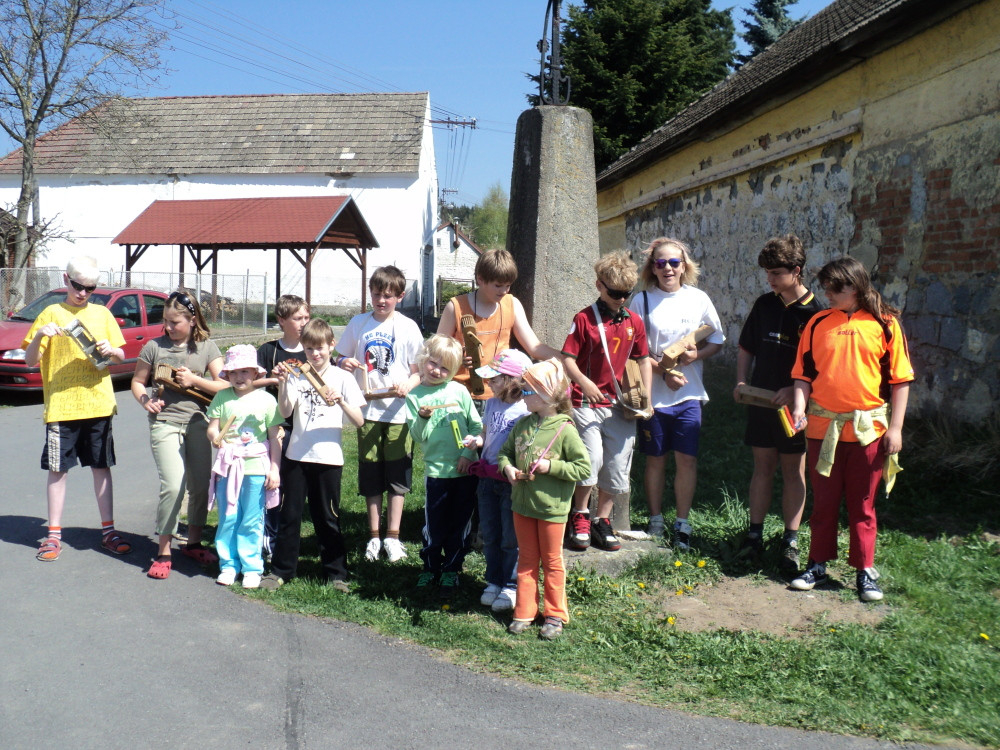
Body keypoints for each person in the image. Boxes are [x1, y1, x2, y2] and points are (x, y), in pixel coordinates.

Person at [789, 256, 913, 602]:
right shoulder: (816, 323)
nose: (827, 294)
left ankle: (864, 569)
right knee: (824, 502)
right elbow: (802, 375)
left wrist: (896, 429)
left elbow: (901, 380)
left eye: (834, 288)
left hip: (868, 432)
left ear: (855, 287)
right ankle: (817, 564)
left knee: (863, 504)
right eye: (825, 287)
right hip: (822, 430)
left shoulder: (885, 324)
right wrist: (799, 408)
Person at [23, 255, 131, 562]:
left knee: (101, 466)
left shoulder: (102, 314)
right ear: (65, 280)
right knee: (58, 470)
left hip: (99, 404)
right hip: (62, 407)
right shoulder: (50, 313)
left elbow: (120, 355)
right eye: (77, 286)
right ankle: (53, 535)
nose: (83, 293)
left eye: (90, 288)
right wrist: (40, 336)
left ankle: (109, 531)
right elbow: (30, 360)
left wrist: (113, 351)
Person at [733, 235, 822, 572]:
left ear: (796, 270)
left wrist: (794, 391)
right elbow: (747, 346)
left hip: (794, 408)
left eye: (776, 273)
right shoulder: (764, 304)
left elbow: (820, 369)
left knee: (793, 470)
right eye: (767, 273)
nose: (769, 279)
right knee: (763, 466)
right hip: (761, 402)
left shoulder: (816, 314)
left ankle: (790, 540)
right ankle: (754, 535)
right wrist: (741, 381)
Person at [631, 238, 725, 551]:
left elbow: (717, 340)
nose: (668, 268)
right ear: (652, 268)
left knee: (687, 459)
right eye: (661, 263)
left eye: (674, 262)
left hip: (689, 395)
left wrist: (696, 355)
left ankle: (682, 523)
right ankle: (656, 519)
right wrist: (664, 372)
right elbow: (634, 351)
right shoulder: (642, 301)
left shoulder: (698, 299)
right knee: (655, 459)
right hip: (654, 397)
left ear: (684, 266)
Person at [261, 319, 366, 592]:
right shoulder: (297, 375)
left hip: (328, 458)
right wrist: (283, 383)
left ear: (331, 346)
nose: (315, 354)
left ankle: (336, 574)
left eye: (320, 348)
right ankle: (281, 570)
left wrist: (341, 400)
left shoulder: (343, 378)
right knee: (290, 515)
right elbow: (285, 412)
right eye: (309, 349)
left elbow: (359, 421)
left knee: (328, 517)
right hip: (297, 456)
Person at [131, 290, 229, 580]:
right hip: (165, 423)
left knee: (200, 486)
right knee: (173, 486)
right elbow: (137, 381)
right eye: (166, 321)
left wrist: (195, 380)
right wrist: (145, 401)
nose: (168, 327)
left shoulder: (207, 347)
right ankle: (163, 550)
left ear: (192, 320)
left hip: (199, 423)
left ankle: (193, 543)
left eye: (175, 322)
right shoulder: (154, 347)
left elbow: (225, 385)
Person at [562, 252, 652, 552]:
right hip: (585, 402)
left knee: (617, 463)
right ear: (599, 286)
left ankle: (603, 520)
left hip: (619, 405)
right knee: (591, 459)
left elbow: (642, 360)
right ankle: (580, 514)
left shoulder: (634, 321)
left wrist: (645, 397)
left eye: (627, 294)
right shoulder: (584, 318)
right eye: (615, 294)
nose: (621, 300)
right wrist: (584, 382)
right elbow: (568, 359)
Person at [498, 358, 591, 640]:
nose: (522, 396)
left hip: (552, 508)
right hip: (522, 505)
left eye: (527, 391)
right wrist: (508, 468)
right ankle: (524, 611)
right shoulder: (523, 425)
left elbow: (583, 468)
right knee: (526, 559)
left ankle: (554, 614)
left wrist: (552, 467)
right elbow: (505, 454)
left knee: (551, 561)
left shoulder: (565, 430)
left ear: (547, 395)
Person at [335, 266, 422, 563]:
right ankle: (373, 536)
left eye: (388, 296)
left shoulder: (408, 327)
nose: (381, 301)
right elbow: (340, 356)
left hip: (398, 413)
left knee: (397, 474)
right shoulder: (358, 323)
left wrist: (408, 385)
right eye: (376, 295)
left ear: (400, 296)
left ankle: (393, 537)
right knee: (371, 473)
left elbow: (419, 372)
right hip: (367, 410)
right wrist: (344, 362)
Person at [404, 334, 483, 599]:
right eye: (433, 364)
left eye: (445, 368)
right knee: (435, 523)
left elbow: (476, 426)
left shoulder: (458, 391)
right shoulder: (414, 396)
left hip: (464, 470)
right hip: (436, 471)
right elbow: (418, 436)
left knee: (460, 523)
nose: (437, 371)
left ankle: (452, 568)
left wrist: (467, 453)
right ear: (423, 359)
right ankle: (430, 566)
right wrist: (423, 417)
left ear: (455, 370)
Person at [437, 248, 561, 409]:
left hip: (501, 396)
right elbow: (437, 352)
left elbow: (534, 348)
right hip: (462, 395)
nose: (504, 291)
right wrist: (457, 358)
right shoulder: (455, 307)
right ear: (480, 279)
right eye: (498, 285)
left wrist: (568, 359)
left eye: (508, 286)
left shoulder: (512, 304)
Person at [206, 345, 283, 588]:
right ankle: (229, 564)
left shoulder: (267, 400)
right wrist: (215, 437)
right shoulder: (222, 397)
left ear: (256, 373)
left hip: (256, 468)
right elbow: (213, 428)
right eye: (234, 372)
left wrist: (274, 469)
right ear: (227, 374)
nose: (239, 377)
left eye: (245, 371)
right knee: (228, 516)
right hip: (229, 467)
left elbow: (275, 437)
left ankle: (252, 567)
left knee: (252, 519)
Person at [463, 349, 532, 612]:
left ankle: (511, 584)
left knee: (510, 537)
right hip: (487, 477)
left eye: (494, 378)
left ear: (512, 380)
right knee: (490, 533)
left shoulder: (526, 409)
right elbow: (486, 433)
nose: (489, 383)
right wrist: (476, 441)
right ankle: (493, 580)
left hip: (510, 481)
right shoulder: (491, 404)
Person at [254, 294, 310, 561]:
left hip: (306, 426)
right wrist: (271, 379)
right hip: (277, 427)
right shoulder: (269, 350)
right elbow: (247, 383)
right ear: (281, 320)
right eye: (298, 318)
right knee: (274, 485)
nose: (304, 323)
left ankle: (291, 540)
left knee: (297, 487)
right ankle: (270, 538)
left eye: (306, 317)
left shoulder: (312, 349)